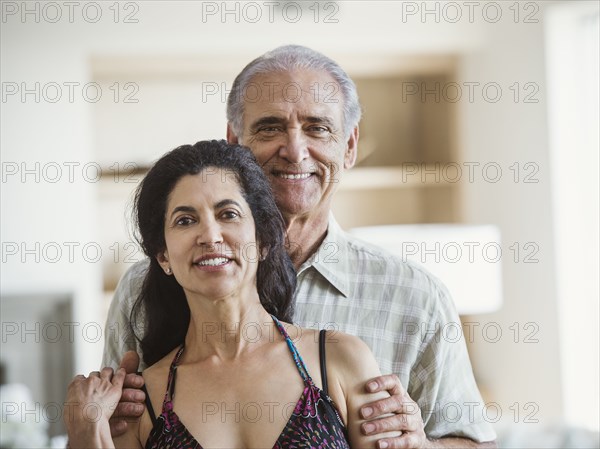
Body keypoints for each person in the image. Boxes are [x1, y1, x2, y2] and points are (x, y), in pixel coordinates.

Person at [103, 45, 497, 448]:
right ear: (235, 143)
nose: (294, 151)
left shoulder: (417, 296)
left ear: (349, 146)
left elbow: (474, 441)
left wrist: (422, 447)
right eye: (270, 127)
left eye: (318, 128)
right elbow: (116, 431)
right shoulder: (142, 289)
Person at [65, 141, 399, 448]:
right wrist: (87, 430)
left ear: (264, 240)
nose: (210, 235)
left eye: (228, 214)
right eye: (185, 220)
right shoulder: (141, 401)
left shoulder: (341, 360)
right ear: (163, 256)